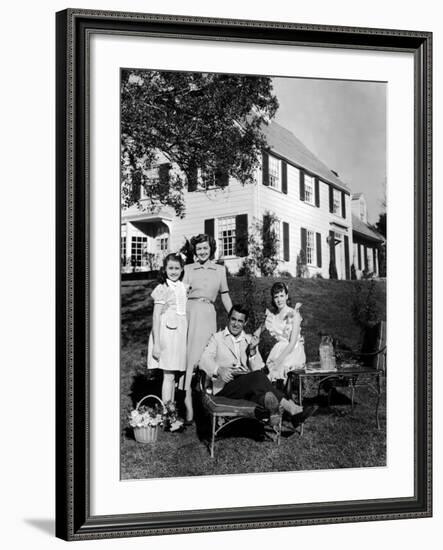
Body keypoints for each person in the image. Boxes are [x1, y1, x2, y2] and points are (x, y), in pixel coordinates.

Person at [199, 305, 312, 427]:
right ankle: (291, 409)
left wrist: (252, 351)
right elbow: (204, 359)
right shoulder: (217, 338)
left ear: (245, 322)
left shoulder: (249, 340)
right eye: (233, 319)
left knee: (262, 391)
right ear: (229, 318)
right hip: (226, 387)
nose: (236, 324)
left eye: (240, 321)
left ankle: (272, 409)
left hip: (247, 387)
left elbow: (259, 369)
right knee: (257, 378)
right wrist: (219, 370)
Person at [181, 233, 232, 423]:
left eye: (205, 247)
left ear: (211, 248)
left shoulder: (220, 270)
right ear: (195, 250)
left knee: (209, 359)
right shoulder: (188, 269)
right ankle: (188, 408)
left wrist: (234, 315)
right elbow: (180, 296)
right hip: (190, 314)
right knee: (190, 361)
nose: (202, 251)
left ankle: (214, 406)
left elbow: (225, 295)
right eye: (199, 248)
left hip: (209, 315)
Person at [147, 253, 188, 407]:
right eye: (170, 268)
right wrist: (157, 344)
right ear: (164, 269)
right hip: (166, 336)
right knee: (169, 375)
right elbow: (156, 316)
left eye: (177, 268)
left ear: (182, 269)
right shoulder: (162, 288)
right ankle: (167, 412)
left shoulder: (183, 288)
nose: (174, 271)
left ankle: (171, 410)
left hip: (179, 335)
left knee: (173, 375)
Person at [264, 282, 306, 383]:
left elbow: (292, 343)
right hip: (280, 349)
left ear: (287, 296)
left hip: (293, 350)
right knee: (270, 372)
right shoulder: (273, 317)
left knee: (280, 368)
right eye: (276, 297)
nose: (279, 300)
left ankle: (286, 393)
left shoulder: (294, 314)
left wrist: (278, 361)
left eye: (282, 296)